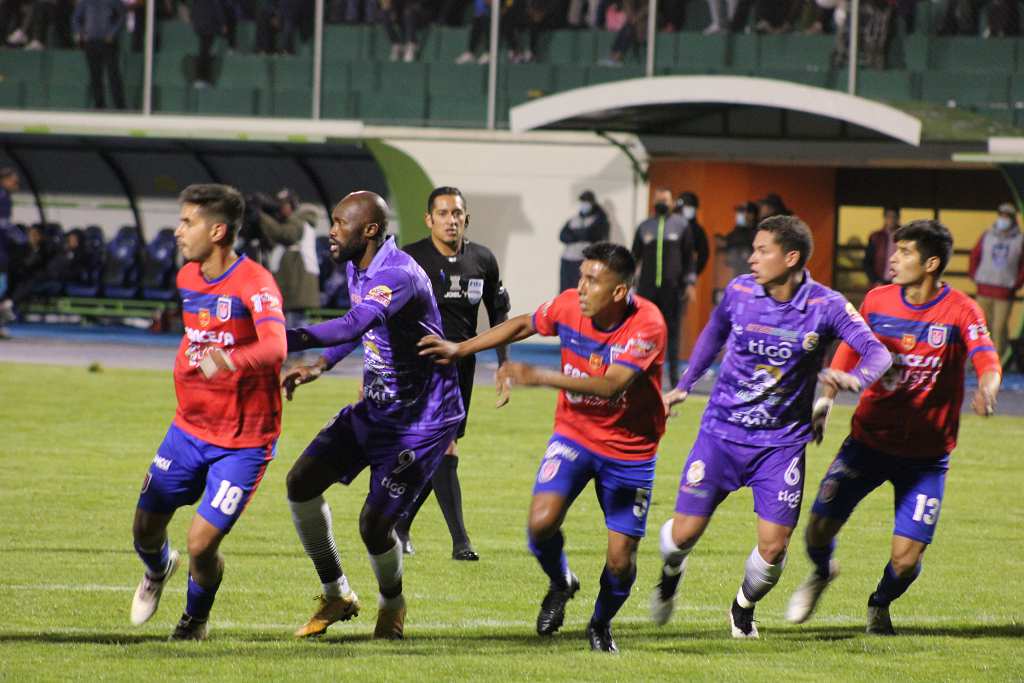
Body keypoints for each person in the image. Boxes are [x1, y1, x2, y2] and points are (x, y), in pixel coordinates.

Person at [419, 242, 668, 653]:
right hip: (574, 434)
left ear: (619, 292)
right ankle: (561, 580)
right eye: (581, 277)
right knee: (540, 522)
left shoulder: (647, 324)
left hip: (630, 450)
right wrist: (461, 348)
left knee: (622, 559)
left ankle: (600, 624)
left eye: (593, 280)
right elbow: (523, 324)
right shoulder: (570, 304)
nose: (581, 288)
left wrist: (541, 375)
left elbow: (611, 386)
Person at [651, 215, 891, 639]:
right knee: (682, 536)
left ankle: (742, 607)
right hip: (721, 434)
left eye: (763, 250)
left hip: (780, 446)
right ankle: (671, 571)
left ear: (791, 257)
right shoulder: (741, 291)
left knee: (774, 547)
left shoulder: (827, 306)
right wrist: (684, 385)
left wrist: (856, 379)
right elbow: (713, 334)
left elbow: (877, 354)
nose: (752, 257)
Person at [787, 220, 1002, 634]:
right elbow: (850, 349)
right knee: (816, 530)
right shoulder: (878, 300)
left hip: (926, 458)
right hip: (868, 442)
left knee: (906, 562)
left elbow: (986, 360)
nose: (894, 258)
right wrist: (826, 400)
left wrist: (988, 391)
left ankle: (880, 602)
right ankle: (822, 571)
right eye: (895, 250)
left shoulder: (961, 309)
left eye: (904, 252)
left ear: (931, 263)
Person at [281, 191, 464, 641]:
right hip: (379, 406)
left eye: (340, 222)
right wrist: (321, 365)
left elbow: (351, 324)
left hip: (421, 419)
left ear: (369, 230)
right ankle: (336, 593)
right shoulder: (357, 266)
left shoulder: (397, 273)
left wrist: (279, 339)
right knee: (300, 483)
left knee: (374, 525)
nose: (331, 230)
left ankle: (392, 603)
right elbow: (361, 326)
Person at [129, 183, 287, 640]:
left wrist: (229, 359)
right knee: (144, 528)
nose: (178, 231)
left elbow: (276, 346)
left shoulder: (255, 282)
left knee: (202, 543)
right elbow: (200, 335)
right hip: (188, 429)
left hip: (244, 441)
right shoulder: (187, 279)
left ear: (217, 230)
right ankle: (158, 570)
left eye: (187, 222)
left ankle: (194, 620)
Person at [398, 186, 510, 560]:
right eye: (443, 214)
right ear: (429, 219)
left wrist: (504, 364)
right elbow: (384, 316)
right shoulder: (408, 259)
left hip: (462, 365)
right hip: (419, 365)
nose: (451, 220)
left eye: (456, 213)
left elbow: (498, 316)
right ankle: (461, 541)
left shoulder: (483, 260)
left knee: (434, 452)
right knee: (445, 445)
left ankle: (399, 524)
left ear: (467, 218)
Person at [631, 187, 695, 387]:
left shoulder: (681, 226)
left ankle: (675, 379)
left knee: (672, 332)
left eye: (665, 200)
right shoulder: (644, 227)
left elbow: (689, 258)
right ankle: (641, 375)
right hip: (646, 291)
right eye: (659, 199)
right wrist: (628, 283)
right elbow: (634, 258)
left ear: (672, 202)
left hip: (672, 289)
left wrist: (690, 283)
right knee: (643, 332)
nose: (662, 203)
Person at [258, 187, 321, 329]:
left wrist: (262, 216)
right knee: (287, 318)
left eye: (284, 205)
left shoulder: (299, 223)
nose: (280, 209)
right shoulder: (288, 222)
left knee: (296, 320)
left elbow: (285, 235)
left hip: (298, 277)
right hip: (290, 277)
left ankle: (297, 349)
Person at [969, 202, 1024, 358]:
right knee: (982, 326)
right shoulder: (987, 235)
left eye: (1007, 216)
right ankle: (980, 358)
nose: (1003, 219)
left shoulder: (1020, 240)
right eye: (1002, 215)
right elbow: (975, 255)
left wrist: (1016, 283)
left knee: (999, 327)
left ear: (1013, 219)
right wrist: (974, 275)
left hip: (1005, 290)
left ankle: (997, 359)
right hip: (984, 287)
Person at [72, 0, 126, 110]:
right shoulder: (85, 2)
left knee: (113, 74)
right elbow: (76, 18)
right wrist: (79, 32)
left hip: (108, 42)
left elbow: (121, 17)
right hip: (91, 41)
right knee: (95, 75)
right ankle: (99, 105)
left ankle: (120, 106)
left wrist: (113, 33)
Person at [559, 190, 609, 295]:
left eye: (586, 202)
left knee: (581, 290)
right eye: (582, 201)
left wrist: (575, 233)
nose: (584, 205)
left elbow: (591, 235)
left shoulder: (600, 219)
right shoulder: (574, 219)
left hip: (584, 260)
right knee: (565, 291)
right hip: (567, 260)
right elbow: (563, 236)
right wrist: (579, 234)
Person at [0, 167, 19, 338]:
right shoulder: (3, 197)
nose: (16, 184)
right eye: (14, 181)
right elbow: (3, 224)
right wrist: (21, 238)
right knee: (1, 286)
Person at [863, 206, 901, 288]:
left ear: (898, 218)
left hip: (899, 281)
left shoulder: (903, 237)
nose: (891, 219)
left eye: (894, 217)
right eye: (888, 216)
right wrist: (874, 280)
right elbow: (867, 261)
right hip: (880, 281)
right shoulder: (876, 237)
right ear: (884, 218)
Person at [722, 201, 758, 278]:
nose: (738, 215)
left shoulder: (757, 234)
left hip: (750, 278)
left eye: (741, 212)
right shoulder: (736, 232)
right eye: (739, 212)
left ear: (751, 215)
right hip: (734, 277)